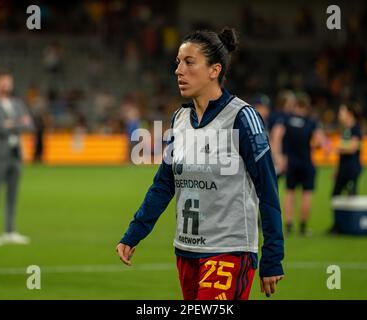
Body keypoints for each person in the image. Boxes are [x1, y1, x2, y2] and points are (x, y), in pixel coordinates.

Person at [116, 28, 284, 300]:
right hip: (186, 252)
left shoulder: (242, 117)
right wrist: (134, 233)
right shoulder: (180, 119)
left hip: (229, 250)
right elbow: (164, 184)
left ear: (214, 70)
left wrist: (273, 256)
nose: (179, 71)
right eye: (178, 63)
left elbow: (267, 187)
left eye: (189, 62)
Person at [0, 72, 33, 246]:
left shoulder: (18, 103)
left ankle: (9, 231)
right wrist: (18, 122)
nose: (6, 85)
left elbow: (30, 125)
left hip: (15, 154)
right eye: (3, 82)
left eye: (8, 82)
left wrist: (11, 123)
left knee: (13, 195)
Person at [275, 93, 327, 236]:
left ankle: (289, 225)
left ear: (296, 105)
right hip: (306, 162)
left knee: (289, 193)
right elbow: (320, 141)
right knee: (306, 194)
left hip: (290, 163)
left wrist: (279, 156)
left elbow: (276, 136)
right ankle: (303, 227)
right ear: (307, 107)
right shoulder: (311, 122)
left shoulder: (286, 119)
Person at [328, 103, 363, 234]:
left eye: (341, 111)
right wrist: (337, 169)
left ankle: (351, 225)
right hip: (343, 168)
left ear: (349, 113)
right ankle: (338, 225)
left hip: (352, 169)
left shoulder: (355, 129)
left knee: (351, 196)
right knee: (335, 195)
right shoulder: (346, 130)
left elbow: (352, 147)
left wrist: (335, 148)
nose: (339, 114)